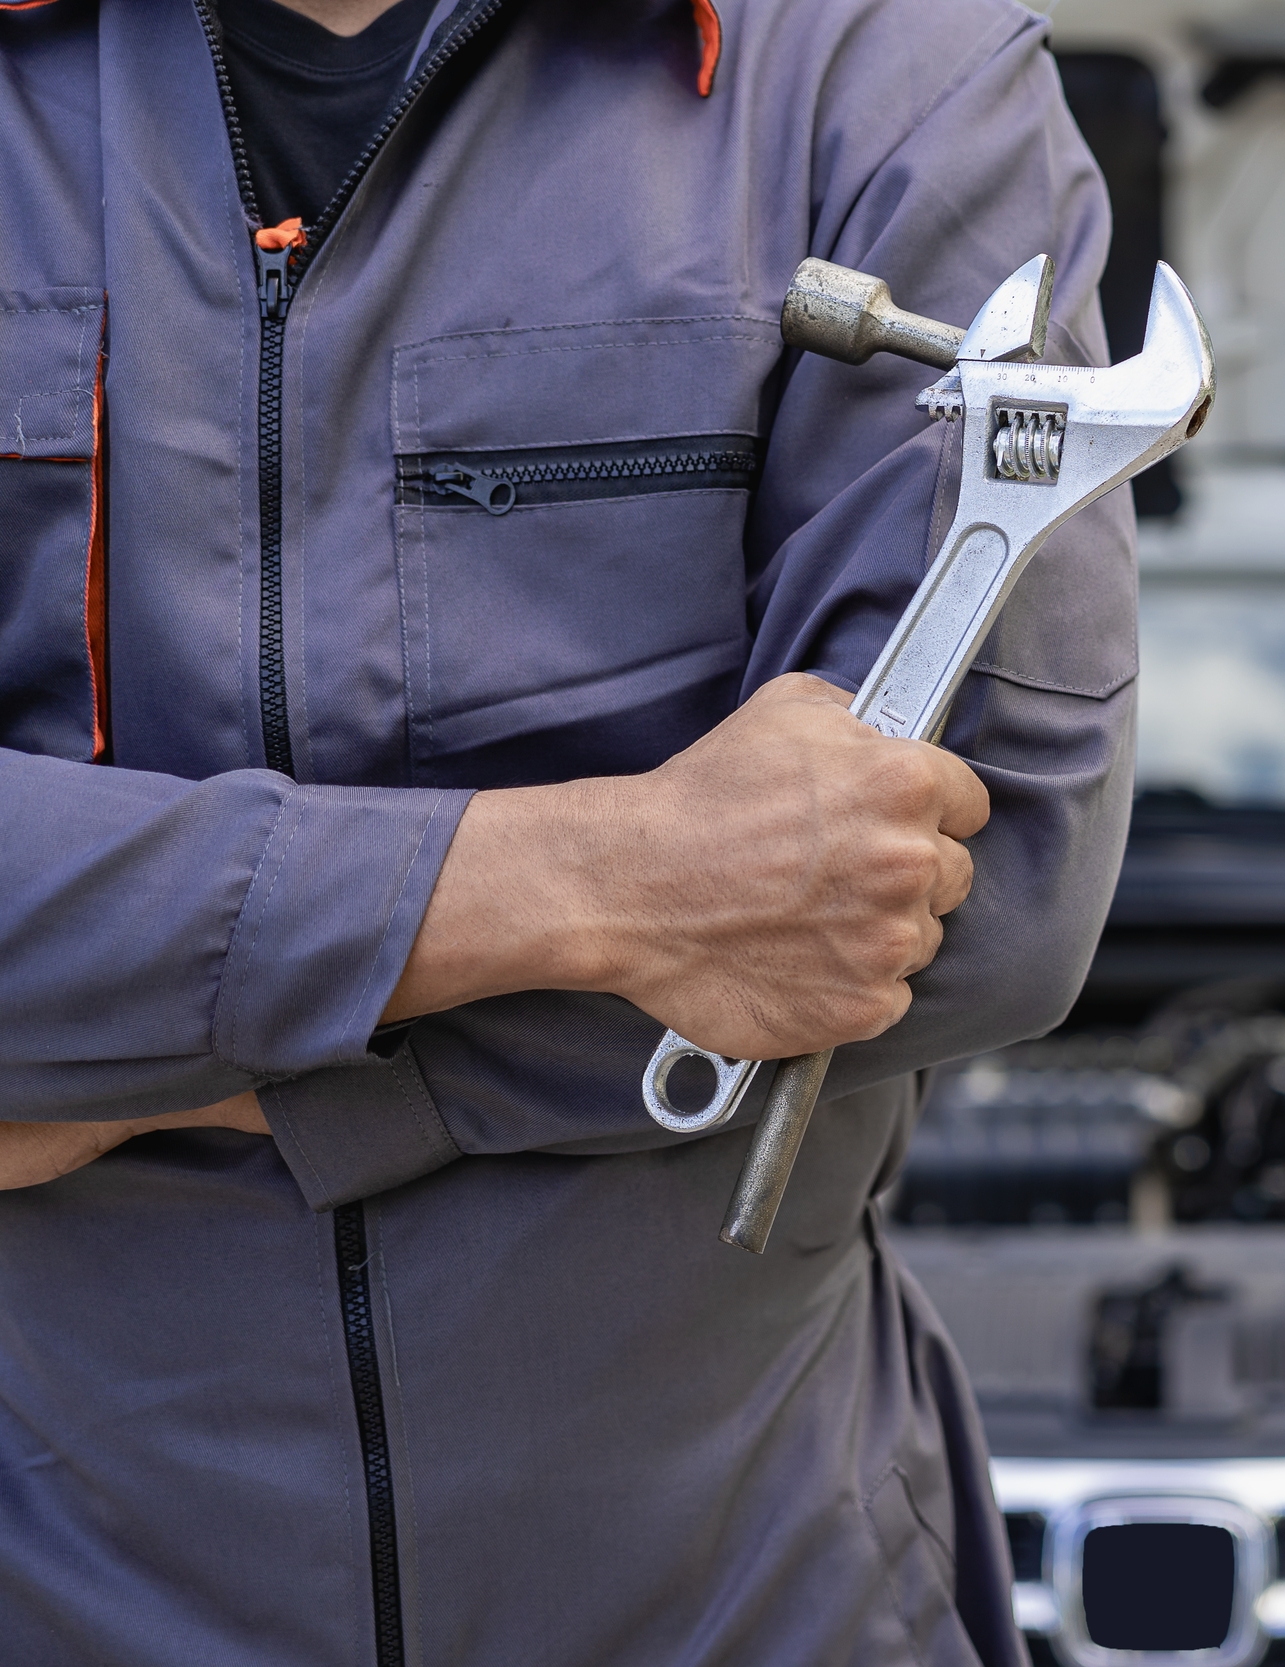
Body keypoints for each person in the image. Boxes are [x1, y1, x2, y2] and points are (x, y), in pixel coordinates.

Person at [0, 0, 1135, 1661]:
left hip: (752, 1597)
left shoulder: (885, 78)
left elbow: (979, 890)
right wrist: (603, 885)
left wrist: (112, 1057)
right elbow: (770, 908)